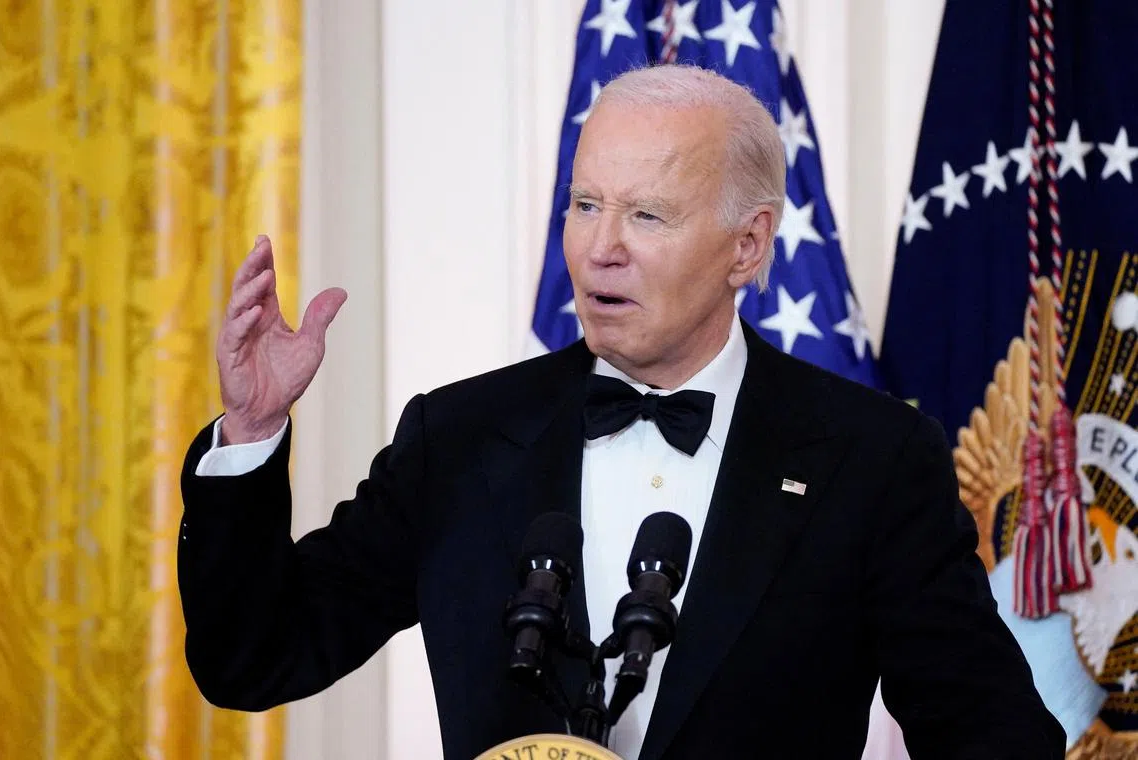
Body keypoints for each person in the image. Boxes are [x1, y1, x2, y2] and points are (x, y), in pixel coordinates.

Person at [178, 64, 1064, 759]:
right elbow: (255, 658)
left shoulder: (869, 458)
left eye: (646, 215)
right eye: (586, 204)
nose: (601, 250)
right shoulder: (458, 440)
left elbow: (991, 735)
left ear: (747, 245)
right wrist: (251, 435)